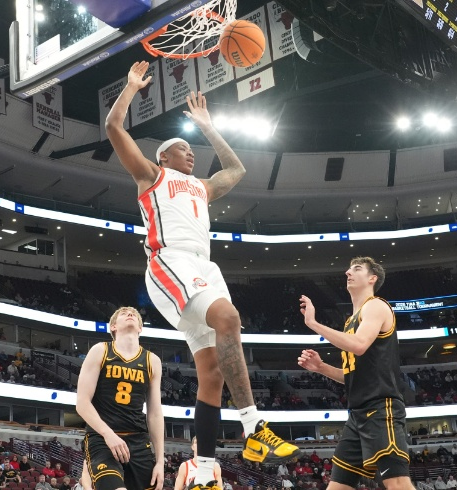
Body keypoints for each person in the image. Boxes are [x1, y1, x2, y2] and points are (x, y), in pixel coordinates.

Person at [106, 61, 299, 489]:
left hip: (204, 267)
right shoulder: (152, 175)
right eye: (182, 148)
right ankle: (253, 426)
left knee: (211, 372)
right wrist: (131, 88)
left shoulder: (203, 187)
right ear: (164, 156)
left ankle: (206, 470)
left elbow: (237, 170)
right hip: (170, 261)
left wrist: (208, 127)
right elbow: (113, 127)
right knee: (229, 317)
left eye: (192, 149)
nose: (190, 153)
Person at [297, 257, 414, 490]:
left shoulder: (376, 305)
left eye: (357, 269)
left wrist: (313, 323)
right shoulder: (351, 321)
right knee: (338, 486)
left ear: (372, 278)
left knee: (398, 483)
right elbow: (353, 376)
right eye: (349, 269)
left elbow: (359, 345)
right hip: (357, 414)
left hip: (381, 408)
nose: (348, 272)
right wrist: (321, 367)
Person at [75, 307, 164, 490]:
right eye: (124, 313)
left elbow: (155, 413)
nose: (130, 314)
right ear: (113, 326)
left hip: (138, 441)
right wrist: (108, 434)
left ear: (140, 328)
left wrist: (160, 461)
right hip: (102, 438)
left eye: (134, 314)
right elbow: (82, 403)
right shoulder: (100, 351)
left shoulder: (152, 361)